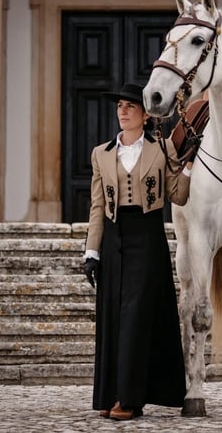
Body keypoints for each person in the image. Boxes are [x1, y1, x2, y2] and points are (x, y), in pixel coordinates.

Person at [83, 82, 192, 420]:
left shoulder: (161, 149)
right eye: (119, 106)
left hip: (147, 236)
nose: (123, 111)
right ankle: (113, 393)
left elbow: (178, 195)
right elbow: (97, 207)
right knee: (113, 316)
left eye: (130, 106)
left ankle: (129, 399)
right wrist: (92, 251)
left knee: (136, 316)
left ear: (145, 115)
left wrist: (188, 165)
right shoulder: (101, 154)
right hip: (114, 238)